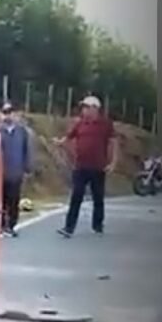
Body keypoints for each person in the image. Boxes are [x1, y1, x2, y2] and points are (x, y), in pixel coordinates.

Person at [54, 95, 117, 237]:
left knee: (98, 197)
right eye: (83, 107)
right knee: (76, 196)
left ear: (95, 109)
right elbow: (68, 137)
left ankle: (97, 224)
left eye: (87, 107)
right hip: (80, 166)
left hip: (98, 167)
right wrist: (59, 142)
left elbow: (113, 143)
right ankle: (69, 227)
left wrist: (113, 162)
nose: (84, 110)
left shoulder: (105, 125)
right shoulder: (80, 124)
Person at [0, 102, 31, 237]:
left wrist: (27, 167)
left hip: (16, 172)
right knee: (1, 201)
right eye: (5, 113)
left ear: (15, 114)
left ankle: (11, 225)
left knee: (14, 200)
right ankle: (1, 225)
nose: (8, 116)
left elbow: (26, 150)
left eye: (10, 112)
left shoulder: (22, 132)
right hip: (0, 173)